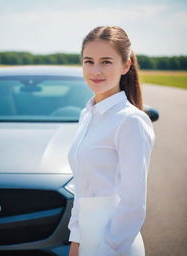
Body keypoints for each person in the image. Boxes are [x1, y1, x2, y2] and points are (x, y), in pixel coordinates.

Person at [67, 26, 155, 256]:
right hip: (86, 241)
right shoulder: (86, 114)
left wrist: (108, 249)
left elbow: (133, 203)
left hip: (116, 244)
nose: (95, 70)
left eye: (106, 61)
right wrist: (76, 241)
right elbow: (81, 187)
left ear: (125, 66)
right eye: (89, 61)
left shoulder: (130, 121)